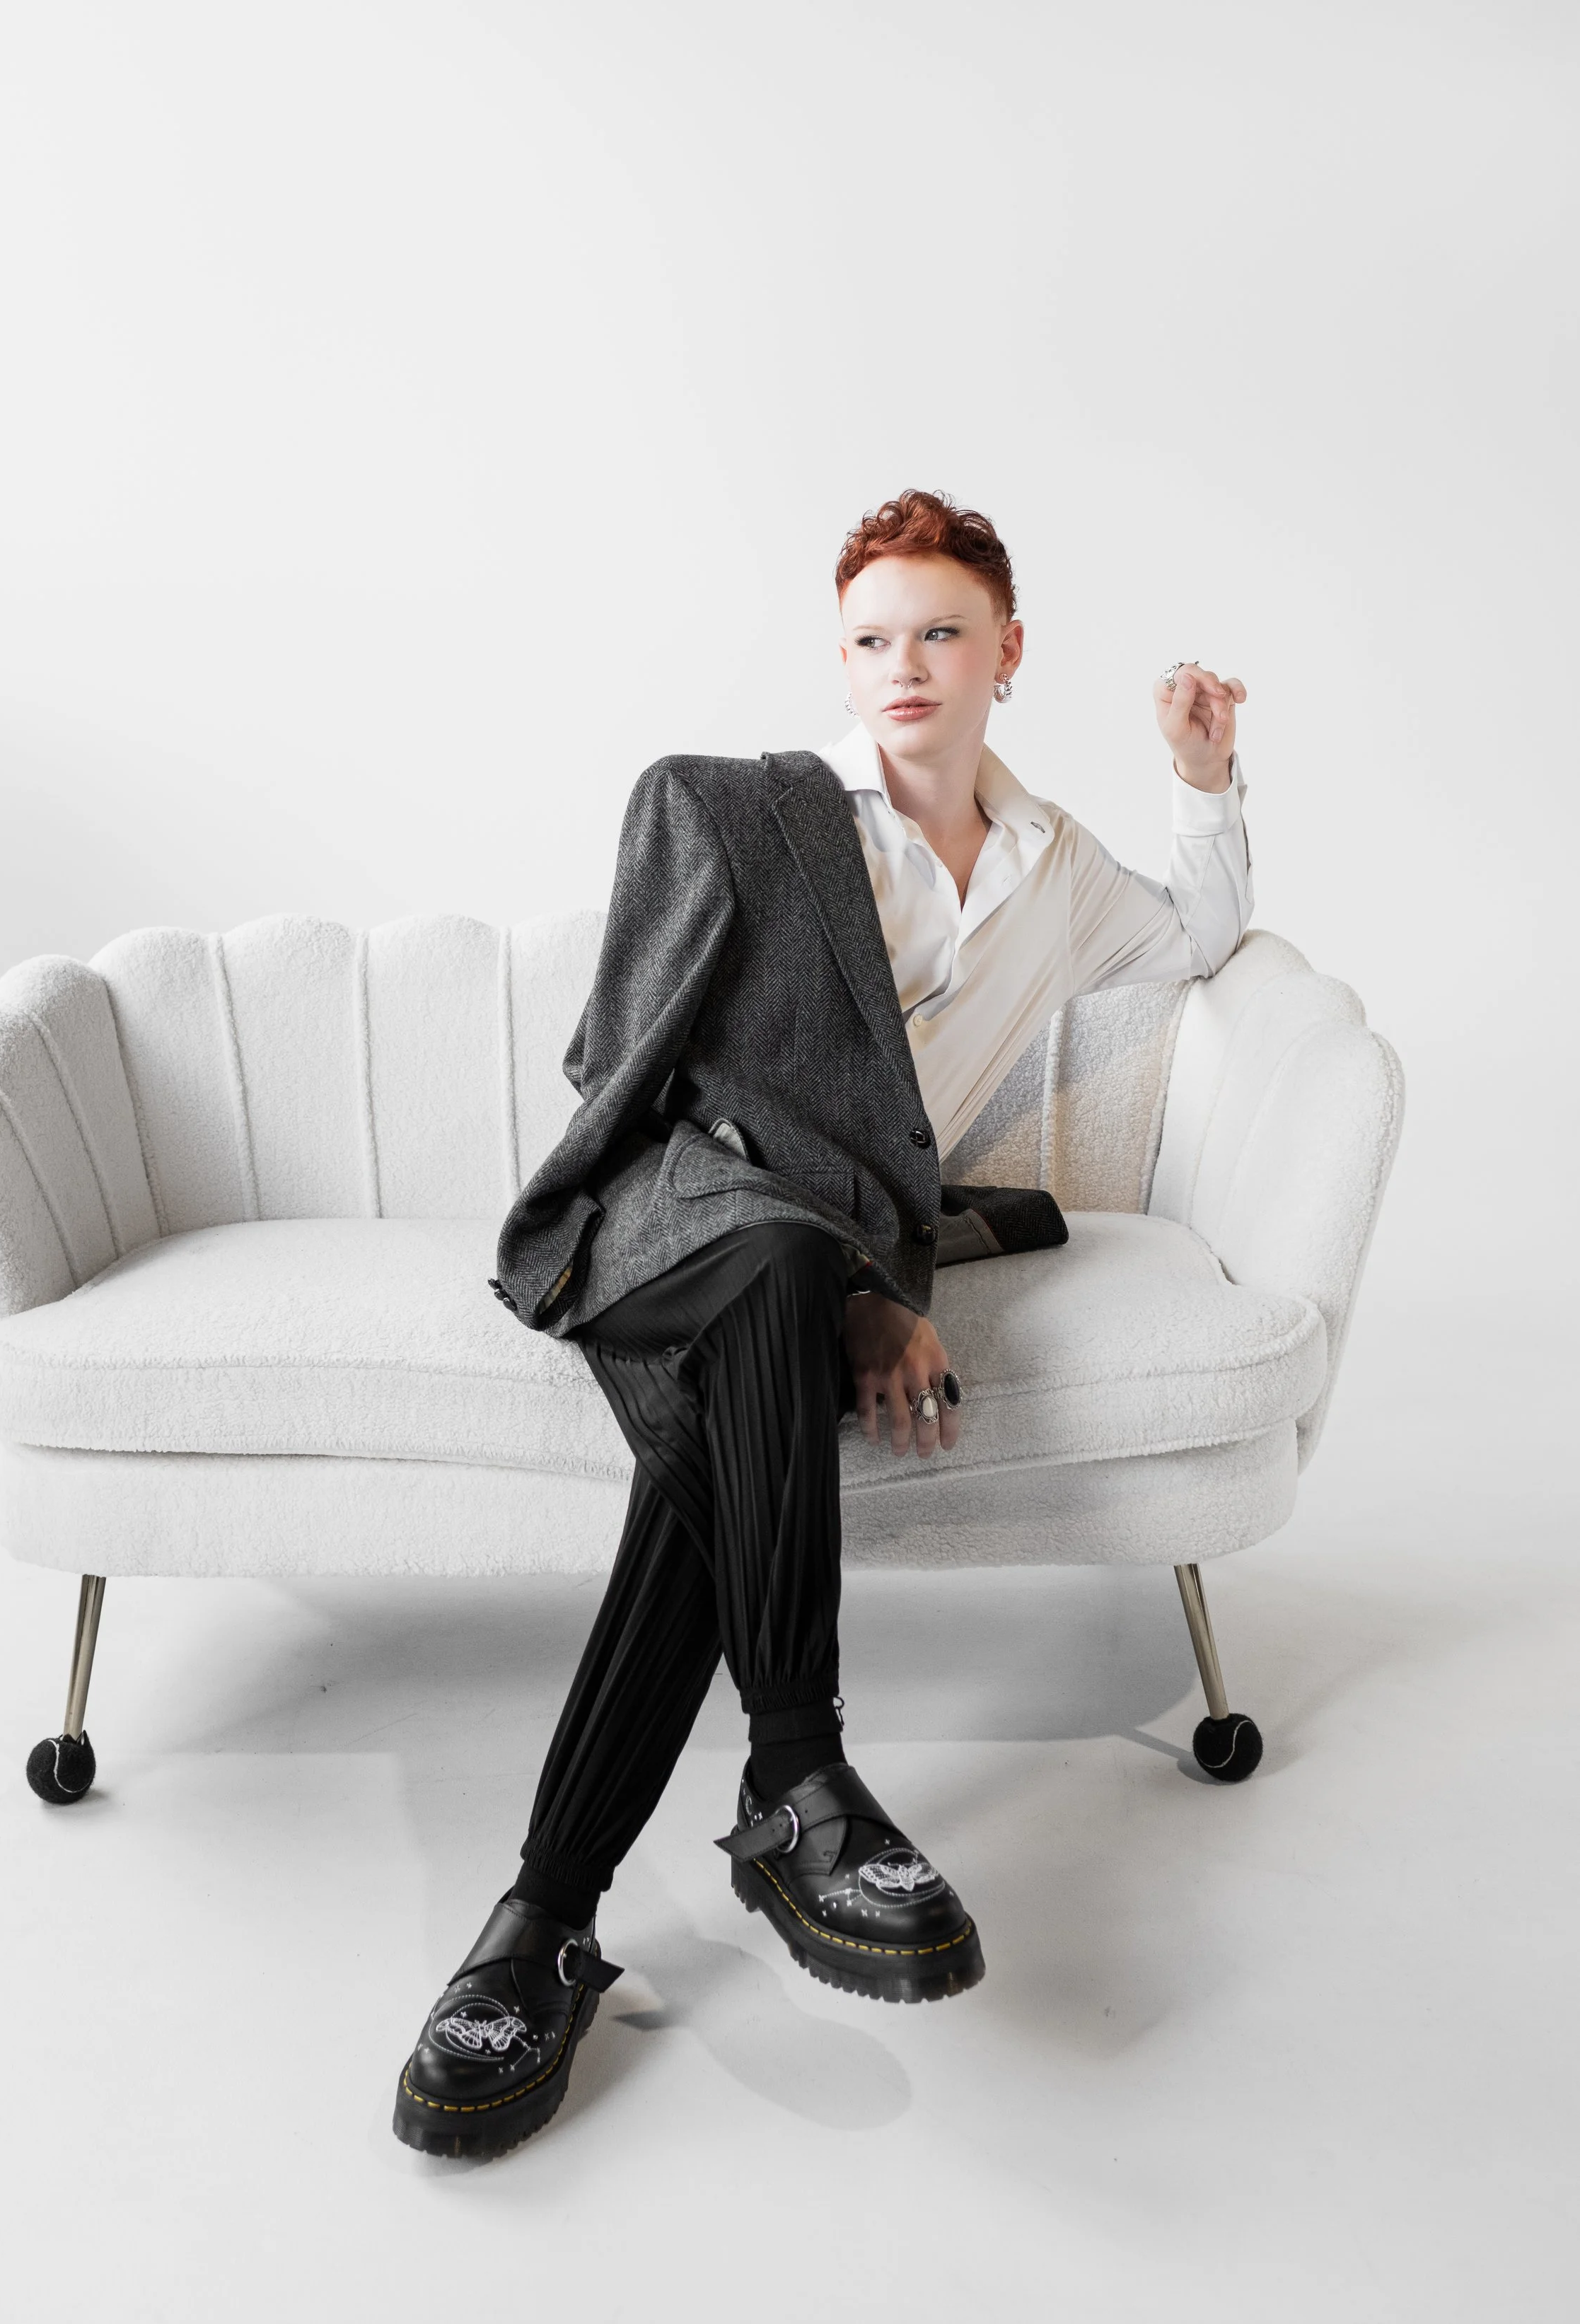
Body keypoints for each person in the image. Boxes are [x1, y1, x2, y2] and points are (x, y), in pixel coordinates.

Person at [393, 489, 1251, 2157]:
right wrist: (863, 1285)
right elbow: (625, 1073)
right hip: (674, 1216)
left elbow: (1200, 937)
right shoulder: (743, 811)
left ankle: (541, 1922)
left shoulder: (1053, 870)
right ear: (841, 662)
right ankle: (797, 1776)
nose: (902, 664)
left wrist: (1200, 777)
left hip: (815, 1257)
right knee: (785, 1272)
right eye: (870, 640)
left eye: (938, 632)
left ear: (1006, 651)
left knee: (717, 1454)